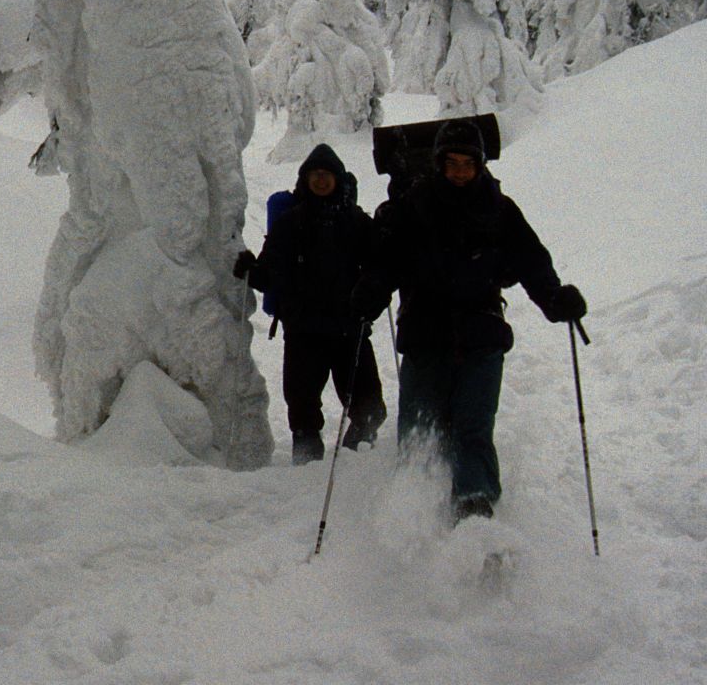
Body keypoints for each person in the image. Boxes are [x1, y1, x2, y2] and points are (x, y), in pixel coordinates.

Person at [350, 119, 587, 522]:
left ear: (480, 165)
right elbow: (386, 262)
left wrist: (554, 298)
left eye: (467, 164)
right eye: (452, 163)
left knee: (472, 426)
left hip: (481, 335)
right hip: (425, 336)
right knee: (420, 429)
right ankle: (417, 507)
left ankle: (474, 506)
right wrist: (369, 293)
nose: (459, 172)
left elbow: (531, 261)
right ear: (439, 164)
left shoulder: (499, 210)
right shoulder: (414, 206)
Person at [233, 144, 387, 465]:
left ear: (337, 179)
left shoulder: (357, 221)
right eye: (314, 175)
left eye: (326, 175)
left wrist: (374, 296)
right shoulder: (290, 223)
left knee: (370, 409)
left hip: (349, 330)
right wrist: (252, 271)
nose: (320, 180)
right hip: (305, 332)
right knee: (302, 411)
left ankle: (354, 462)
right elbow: (271, 272)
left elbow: (380, 268)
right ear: (305, 179)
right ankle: (306, 471)